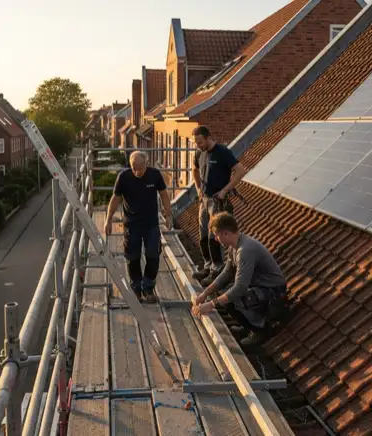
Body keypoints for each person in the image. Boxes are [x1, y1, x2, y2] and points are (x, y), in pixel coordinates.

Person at [191, 212, 288, 346]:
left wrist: (212, 304)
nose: (216, 239)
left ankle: (261, 330)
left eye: (217, 235)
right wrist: (205, 293)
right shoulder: (234, 247)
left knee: (231, 299)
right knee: (224, 295)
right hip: (260, 286)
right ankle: (248, 325)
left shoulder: (245, 250)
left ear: (225, 233)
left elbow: (240, 287)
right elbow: (226, 274)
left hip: (273, 291)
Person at [105, 151, 172, 303]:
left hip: (151, 224)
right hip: (132, 224)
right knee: (132, 257)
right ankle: (136, 288)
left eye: (140, 168)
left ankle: (148, 287)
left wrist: (168, 215)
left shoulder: (154, 175)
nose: (137, 172)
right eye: (134, 168)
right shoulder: (123, 177)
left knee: (153, 255)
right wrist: (108, 220)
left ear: (146, 164)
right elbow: (115, 199)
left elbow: (164, 195)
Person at [191, 125, 247, 287]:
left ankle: (217, 270)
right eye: (196, 143)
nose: (198, 146)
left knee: (212, 237)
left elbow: (240, 170)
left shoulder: (223, 152)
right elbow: (194, 170)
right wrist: (198, 188)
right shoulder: (198, 153)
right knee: (202, 235)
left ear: (208, 138)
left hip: (217, 200)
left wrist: (225, 190)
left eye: (200, 142)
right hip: (204, 199)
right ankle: (207, 266)